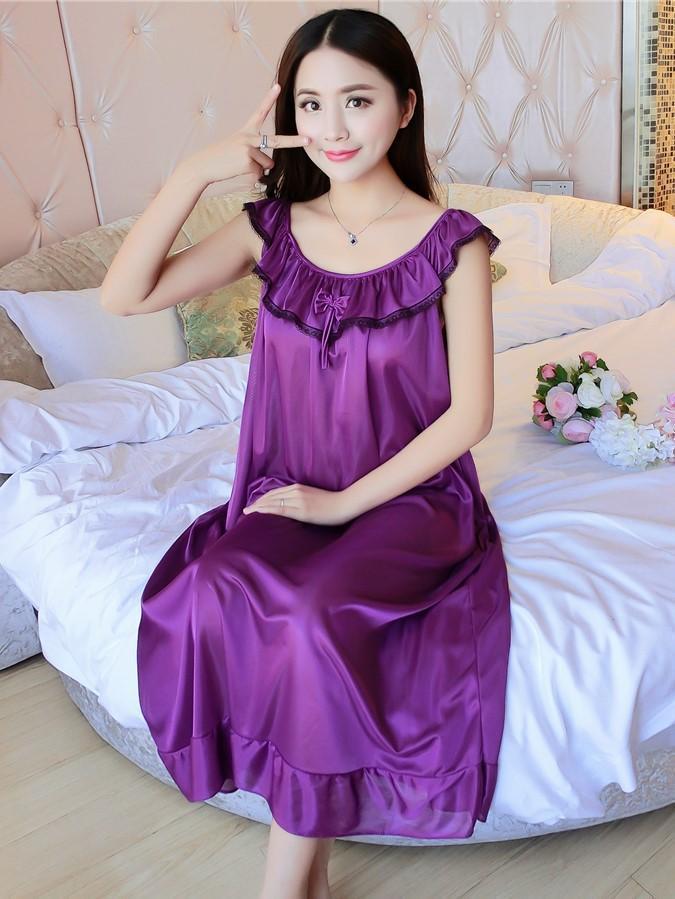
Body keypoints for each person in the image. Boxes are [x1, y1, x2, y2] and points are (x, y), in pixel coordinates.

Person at [101, 8, 511, 899]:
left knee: (315, 614)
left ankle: (285, 885)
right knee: (215, 585)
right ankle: (308, 867)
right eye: (310, 103)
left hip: (409, 501)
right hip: (290, 486)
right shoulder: (271, 231)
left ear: (405, 107)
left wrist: (343, 505)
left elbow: (471, 415)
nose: (332, 127)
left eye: (356, 100)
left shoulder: (454, 244)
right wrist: (196, 172)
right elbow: (123, 296)